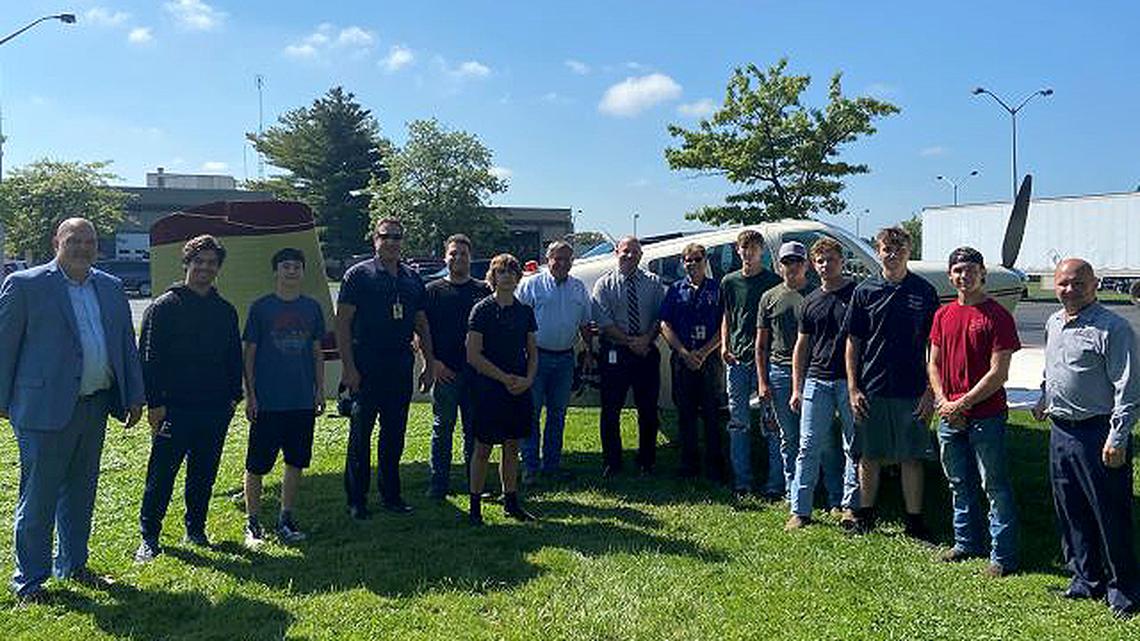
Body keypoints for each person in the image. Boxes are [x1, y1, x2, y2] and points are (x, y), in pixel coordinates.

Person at [0, 218, 144, 601]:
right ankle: (30, 581)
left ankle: (74, 564)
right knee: (40, 497)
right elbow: (4, 346)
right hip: (42, 409)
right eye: (74, 240)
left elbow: (124, 344)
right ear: (56, 243)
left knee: (81, 493)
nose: (82, 247)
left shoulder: (110, 287)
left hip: (94, 406)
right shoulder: (25, 285)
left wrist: (134, 394)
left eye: (89, 241)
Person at [1033, 258, 1140, 618]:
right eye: (1063, 283)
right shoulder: (1054, 322)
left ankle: (1123, 590)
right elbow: (1053, 368)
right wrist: (1044, 397)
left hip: (1098, 433)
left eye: (1078, 283)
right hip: (1061, 431)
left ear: (1095, 285)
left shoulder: (1113, 328)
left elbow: (1128, 388)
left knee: (1110, 514)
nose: (1070, 290)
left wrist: (1118, 437)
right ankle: (1085, 580)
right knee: (1071, 510)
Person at [135, 234, 243, 562]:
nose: (205, 268)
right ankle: (149, 536)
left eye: (211, 263)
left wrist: (233, 397)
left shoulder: (225, 310)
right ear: (186, 264)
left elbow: (233, 357)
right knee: (161, 474)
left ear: (218, 268)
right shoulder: (164, 307)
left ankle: (195, 529)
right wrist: (155, 404)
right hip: (173, 409)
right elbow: (148, 359)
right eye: (199, 262)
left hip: (214, 408)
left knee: (203, 473)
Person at [928, 247, 1020, 577]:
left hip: (986, 415)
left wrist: (962, 403)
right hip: (949, 415)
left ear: (982, 274)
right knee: (958, 481)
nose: (963, 276)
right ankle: (966, 542)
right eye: (957, 270)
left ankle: (1002, 556)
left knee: (994, 485)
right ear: (950, 276)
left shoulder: (997, 316)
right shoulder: (943, 315)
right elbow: (933, 363)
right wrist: (943, 400)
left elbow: (999, 373)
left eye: (970, 270)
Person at [845, 226, 940, 538]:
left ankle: (914, 522)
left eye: (899, 249)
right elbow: (853, 342)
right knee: (869, 455)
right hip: (872, 387)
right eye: (887, 249)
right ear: (878, 251)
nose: (893, 254)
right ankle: (865, 517)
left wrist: (930, 390)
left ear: (909, 252)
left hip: (912, 389)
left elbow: (935, 345)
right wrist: (853, 388)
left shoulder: (924, 291)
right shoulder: (864, 291)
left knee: (911, 456)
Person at [337, 218, 436, 519]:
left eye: (397, 237)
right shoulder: (358, 275)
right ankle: (357, 500)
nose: (391, 242)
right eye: (385, 236)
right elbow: (342, 323)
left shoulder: (412, 278)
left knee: (394, 433)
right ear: (375, 240)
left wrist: (429, 363)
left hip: (399, 364)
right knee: (361, 433)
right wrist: (348, 368)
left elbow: (421, 324)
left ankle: (391, 495)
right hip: (366, 364)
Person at [241, 248, 326, 547]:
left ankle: (285, 518)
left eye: (296, 267)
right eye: (286, 266)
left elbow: (317, 353)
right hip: (268, 401)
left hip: (301, 400)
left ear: (303, 272)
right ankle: (253, 523)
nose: (291, 271)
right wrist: (251, 395)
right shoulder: (261, 308)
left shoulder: (312, 308)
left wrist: (319, 389)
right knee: (256, 465)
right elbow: (249, 355)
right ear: (276, 272)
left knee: (295, 461)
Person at [786, 237, 857, 530]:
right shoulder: (810, 301)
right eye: (820, 261)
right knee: (808, 446)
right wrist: (797, 387)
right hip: (817, 380)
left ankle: (850, 507)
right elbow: (801, 346)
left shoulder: (857, 294)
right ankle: (800, 510)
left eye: (831, 259)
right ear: (814, 266)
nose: (826, 265)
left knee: (854, 446)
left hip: (849, 381)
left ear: (842, 261)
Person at [466, 253, 538, 524]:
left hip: (518, 388)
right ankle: (475, 506)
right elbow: (473, 355)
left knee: (511, 446)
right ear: (493, 277)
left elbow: (532, 352)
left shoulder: (525, 311)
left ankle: (511, 502)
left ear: (518, 277)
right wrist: (503, 378)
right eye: (501, 271)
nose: (506, 276)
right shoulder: (481, 310)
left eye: (511, 271)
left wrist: (528, 379)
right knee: (483, 448)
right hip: (489, 388)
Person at [517, 240, 593, 484]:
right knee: (531, 413)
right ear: (548, 259)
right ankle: (530, 466)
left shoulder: (579, 288)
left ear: (572, 261)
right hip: (535, 358)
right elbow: (516, 321)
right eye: (556, 258)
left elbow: (585, 324)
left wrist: (589, 352)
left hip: (565, 359)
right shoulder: (531, 285)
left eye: (566, 259)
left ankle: (551, 465)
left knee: (558, 415)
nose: (561, 263)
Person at [591, 236, 666, 476]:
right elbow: (603, 321)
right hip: (615, 353)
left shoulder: (654, 283)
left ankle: (647, 460)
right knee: (610, 410)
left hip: (646, 351)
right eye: (625, 251)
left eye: (634, 252)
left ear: (641, 255)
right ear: (617, 253)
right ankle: (612, 462)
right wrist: (630, 342)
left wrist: (645, 340)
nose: (629, 255)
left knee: (648, 409)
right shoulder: (604, 284)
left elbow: (660, 317)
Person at [424, 234, 490, 499]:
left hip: (476, 373)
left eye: (463, 253)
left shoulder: (483, 291)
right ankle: (438, 483)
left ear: (470, 257)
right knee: (442, 428)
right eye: (453, 253)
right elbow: (420, 331)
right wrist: (433, 363)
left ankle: (474, 483)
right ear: (445, 257)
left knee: (473, 430)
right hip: (445, 373)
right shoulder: (432, 291)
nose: (458, 258)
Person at [720, 229, 781, 500]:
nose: (748, 253)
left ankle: (775, 483)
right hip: (737, 359)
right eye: (744, 248)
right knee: (738, 422)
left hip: (765, 360)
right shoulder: (729, 281)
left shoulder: (773, 282)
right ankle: (742, 481)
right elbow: (727, 315)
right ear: (738, 250)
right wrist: (724, 345)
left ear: (761, 251)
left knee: (771, 422)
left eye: (753, 248)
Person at [659, 243, 724, 480]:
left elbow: (724, 325)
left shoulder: (717, 289)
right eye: (688, 260)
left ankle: (715, 465)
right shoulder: (675, 290)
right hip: (682, 359)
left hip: (710, 359)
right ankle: (688, 464)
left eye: (697, 259)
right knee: (685, 413)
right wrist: (684, 353)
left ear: (705, 261)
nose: (693, 264)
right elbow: (665, 324)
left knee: (712, 413)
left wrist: (704, 352)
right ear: (682, 263)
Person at [756, 241, 815, 498]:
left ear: (806, 265)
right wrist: (762, 381)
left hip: (813, 373)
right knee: (787, 435)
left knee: (813, 436)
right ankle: (791, 488)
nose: (792, 266)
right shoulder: (769, 297)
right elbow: (761, 345)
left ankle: (814, 486)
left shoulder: (816, 294)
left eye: (797, 261)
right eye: (787, 262)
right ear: (779, 266)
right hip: (779, 371)